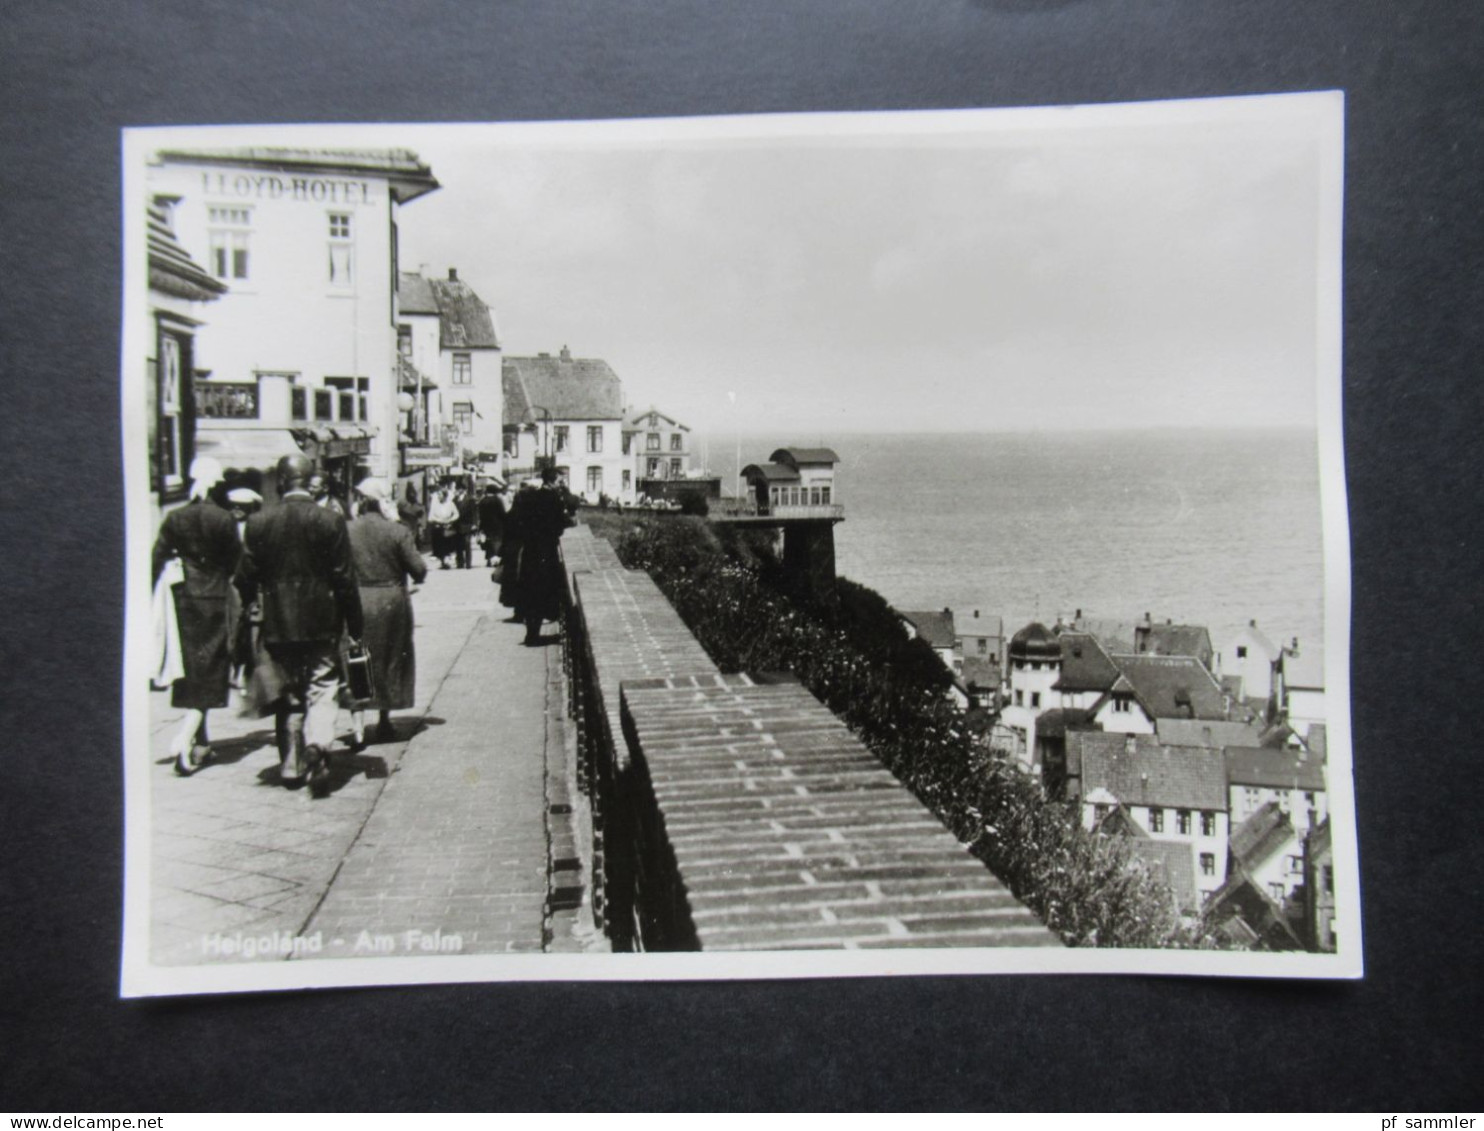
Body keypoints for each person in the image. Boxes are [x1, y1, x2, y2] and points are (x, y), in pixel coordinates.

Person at [236, 453, 364, 788]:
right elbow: (345, 579)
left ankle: (290, 765)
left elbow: (244, 577)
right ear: (309, 481)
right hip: (322, 620)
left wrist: (254, 603)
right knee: (322, 688)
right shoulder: (328, 520)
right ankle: (318, 745)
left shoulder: (259, 522)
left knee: (288, 693)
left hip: (278, 623)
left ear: (280, 481)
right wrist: (356, 626)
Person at [151, 457, 241, 776]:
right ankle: (185, 739)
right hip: (214, 599)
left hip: (183, 601)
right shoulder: (224, 519)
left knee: (190, 669)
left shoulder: (175, 517)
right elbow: (235, 563)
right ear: (216, 483)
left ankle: (202, 743)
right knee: (212, 670)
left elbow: (157, 557)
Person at [344, 478, 427, 747]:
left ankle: (356, 727)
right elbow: (419, 569)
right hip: (391, 602)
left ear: (360, 501)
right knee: (390, 658)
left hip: (356, 600)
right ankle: (384, 720)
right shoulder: (397, 531)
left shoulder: (346, 530)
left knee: (357, 658)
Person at [511, 465, 573, 645]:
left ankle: (531, 632)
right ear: (553, 481)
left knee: (530, 591)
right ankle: (534, 634)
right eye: (560, 481)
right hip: (546, 551)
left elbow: (520, 521)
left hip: (530, 550)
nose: (561, 484)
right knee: (543, 590)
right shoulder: (553, 498)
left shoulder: (530, 496)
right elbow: (560, 524)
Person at [427, 483, 459, 569]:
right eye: (438, 495)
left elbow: (456, 514)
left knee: (448, 545)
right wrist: (439, 520)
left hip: (448, 527)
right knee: (439, 546)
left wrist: (451, 520)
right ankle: (443, 561)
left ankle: (446, 560)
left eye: (440, 495)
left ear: (445, 496)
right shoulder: (435, 505)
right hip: (438, 528)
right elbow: (430, 517)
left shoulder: (450, 504)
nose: (438, 497)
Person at [477, 483, 507, 567]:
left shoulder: (482, 501)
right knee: (497, 542)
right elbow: (502, 513)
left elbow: (480, 514)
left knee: (488, 542)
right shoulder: (497, 500)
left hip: (486, 524)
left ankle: (489, 558)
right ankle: (496, 558)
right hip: (497, 525)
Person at [454, 478, 478, 569]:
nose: (457, 490)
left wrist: (474, 524)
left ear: (463, 490)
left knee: (467, 543)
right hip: (457, 525)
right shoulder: (454, 499)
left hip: (467, 524)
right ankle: (460, 562)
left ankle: (468, 563)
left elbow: (474, 512)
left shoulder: (469, 499)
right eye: (457, 489)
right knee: (458, 544)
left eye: (459, 489)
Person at [397, 483, 426, 549]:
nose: (412, 495)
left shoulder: (419, 506)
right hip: (404, 527)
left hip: (414, 528)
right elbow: (398, 513)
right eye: (410, 493)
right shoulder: (402, 504)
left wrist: (421, 527)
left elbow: (421, 520)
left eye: (413, 494)